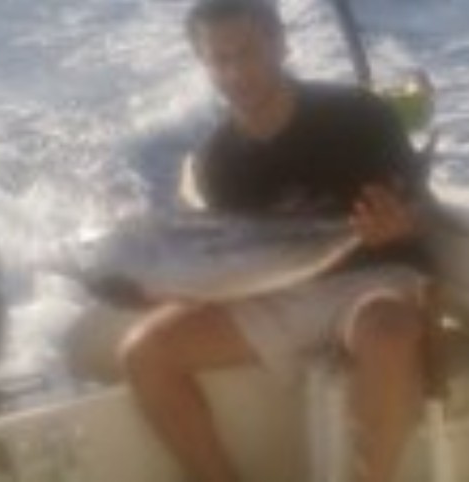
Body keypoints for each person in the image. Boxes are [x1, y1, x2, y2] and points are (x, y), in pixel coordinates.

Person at [117, 1, 433, 481]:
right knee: (142, 352)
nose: (236, 73)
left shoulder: (360, 114)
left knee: (387, 333)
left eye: (247, 53)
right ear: (204, 64)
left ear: (280, 44)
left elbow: (424, 213)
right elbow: (236, 263)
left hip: (370, 278)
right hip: (277, 290)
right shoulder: (216, 161)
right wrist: (178, 289)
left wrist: (401, 223)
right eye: (220, 60)